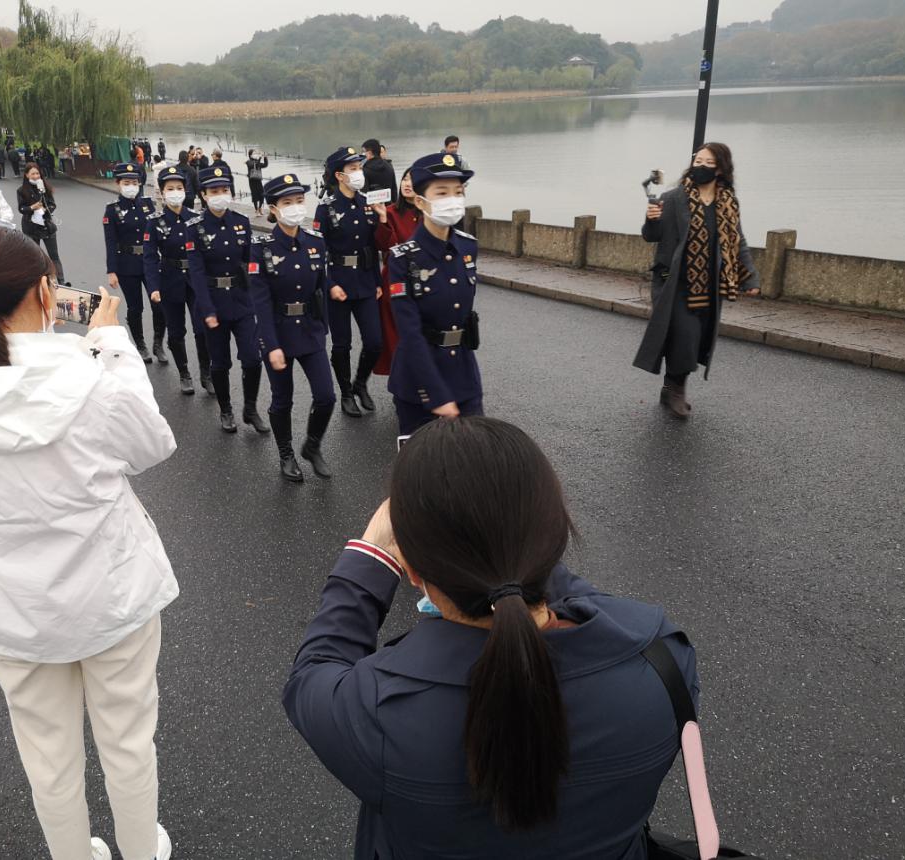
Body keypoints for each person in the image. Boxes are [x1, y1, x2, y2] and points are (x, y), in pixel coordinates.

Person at [283, 416, 698, 860]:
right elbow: (587, 601)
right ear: (555, 535)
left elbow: (313, 673)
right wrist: (509, 537)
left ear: (414, 572)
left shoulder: (380, 712)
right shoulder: (663, 657)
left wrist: (371, 555)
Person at [0, 225, 175, 860]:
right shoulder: (91, 380)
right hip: (112, 597)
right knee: (129, 740)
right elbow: (151, 446)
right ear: (46, 291)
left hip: (10, 606)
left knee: (46, 754)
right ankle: (141, 850)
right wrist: (110, 340)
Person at [634, 142, 761, 418]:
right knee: (686, 336)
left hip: (708, 283)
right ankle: (677, 391)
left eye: (707, 163)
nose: (700, 167)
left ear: (720, 169)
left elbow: (737, 242)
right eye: (697, 161)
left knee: (696, 337)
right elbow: (651, 235)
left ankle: (671, 388)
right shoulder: (674, 198)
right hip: (673, 282)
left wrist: (749, 276)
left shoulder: (727, 203)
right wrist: (651, 219)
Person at [249, 174, 336, 482]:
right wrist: (271, 345)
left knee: (326, 395)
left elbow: (321, 287)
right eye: (288, 203)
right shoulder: (261, 249)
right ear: (273, 209)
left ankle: (312, 445)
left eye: (300, 201)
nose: (296, 208)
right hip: (278, 333)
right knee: (282, 398)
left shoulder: (315, 242)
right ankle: (286, 454)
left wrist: (326, 319)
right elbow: (260, 301)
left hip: (310, 331)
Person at [386, 152, 481, 436]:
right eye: (442, 192)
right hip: (418, 383)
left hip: (464, 376)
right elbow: (410, 332)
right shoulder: (402, 258)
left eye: (458, 192)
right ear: (419, 200)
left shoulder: (467, 247)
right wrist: (436, 393)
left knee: (476, 463)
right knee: (421, 473)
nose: (452, 199)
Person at [186, 165, 268, 435]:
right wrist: (207, 310)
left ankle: (251, 408)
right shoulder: (195, 228)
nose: (220, 195)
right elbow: (196, 272)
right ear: (204, 195)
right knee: (220, 363)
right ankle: (226, 410)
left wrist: (259, 298)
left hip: (242, 302)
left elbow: (250, 263)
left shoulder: (241, 222)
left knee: (253, 359)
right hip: (212, 306)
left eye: (224, 190)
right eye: (214, 191)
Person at [316, 147, 383, 418]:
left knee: (375, 342)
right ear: (340, 175)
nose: (359, 172)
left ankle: (360, 382)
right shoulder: (326, 208)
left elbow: (373, 245)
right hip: (338, 284)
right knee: (342, 345)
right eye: (353, 169)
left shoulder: (368, 203)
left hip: (366, 281)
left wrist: (377, 280)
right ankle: (345, 393)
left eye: (359, 167)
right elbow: (317, 253)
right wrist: (329, 284)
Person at [143, 165, 213, 395]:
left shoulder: (195, 218)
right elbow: (150, 257)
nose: (175, 192)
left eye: (179, 188)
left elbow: (205, 253)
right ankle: (184, 373)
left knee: (202, 328)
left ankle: (206, 373)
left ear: (186, 190)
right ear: (162, 192)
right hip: (169, 279)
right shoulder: (154, 221)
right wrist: (153, 287)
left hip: (195, 281)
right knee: (175, 331)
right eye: (170, 188)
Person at [103, 162, 166, 363]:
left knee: (159, 305)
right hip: (126, 264)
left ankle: (158, 343)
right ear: (118, 184)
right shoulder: (112, 210)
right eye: (127, 182)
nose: (131, 185)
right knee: (135, 307)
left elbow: (159, 234)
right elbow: (111, 242)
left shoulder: (148, 204)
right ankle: (140, 344)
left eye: (134, 182)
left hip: (150, 263)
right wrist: (111, 270)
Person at [371, 167, 420, 375]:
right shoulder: (390, 211)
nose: (407, 184)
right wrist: (382, 218)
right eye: (405, 179)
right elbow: (384, 246)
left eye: (413, 180)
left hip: (424, 282)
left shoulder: (430, 213)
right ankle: (401, 378)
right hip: (395, 280)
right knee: (395, 334)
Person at [18, 163, 69, 285]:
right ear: (27, 175)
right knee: (35, 256)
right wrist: (32, 207)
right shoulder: (21, 190)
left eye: (37, 173)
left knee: (54, 256)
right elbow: (21, 209)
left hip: (47, 226)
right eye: (33, 174)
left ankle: (61, 282)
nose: (36, 176)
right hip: (30, 227)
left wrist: (46, 209)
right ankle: (38, 282)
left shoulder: (45, 187)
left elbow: (52, 204)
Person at [362, 138, 397, 203]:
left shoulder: (365, 170)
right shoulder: (389, 166)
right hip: (388, 205)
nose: (363, 154)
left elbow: (364, 193)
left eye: (364, 151)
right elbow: (394, 189)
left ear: (369, 153)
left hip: (373, 207)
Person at [244, 149, 268, 214]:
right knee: (254, 195)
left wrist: (265, 157)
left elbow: (265, 165)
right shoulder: (248, 162)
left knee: (262, 194)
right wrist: (259, 158)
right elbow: (253, 165)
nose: (255, 154)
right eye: (254, 153)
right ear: (250, 155)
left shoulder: (257, 161)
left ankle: (260, 208)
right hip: (252, 181)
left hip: (258, 180)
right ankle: (256, 209)